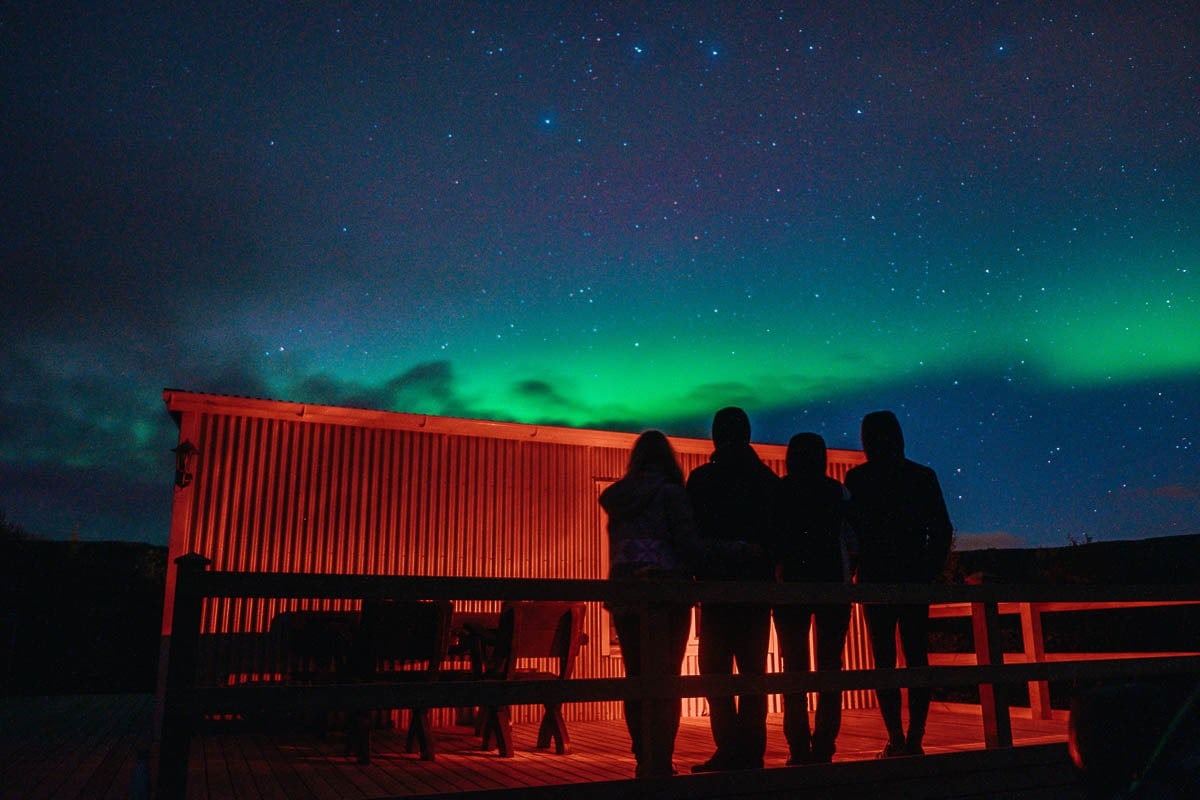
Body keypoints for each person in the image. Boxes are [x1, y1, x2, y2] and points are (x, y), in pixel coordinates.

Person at [844, 410, 953, 758]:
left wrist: (853, 572)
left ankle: (896, 737)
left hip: (875, 579)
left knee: (884, 660)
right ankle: (914, 738)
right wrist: (930, 571)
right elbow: (941, 529)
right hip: (913, 577)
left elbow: (852, 533)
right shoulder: (922, 477)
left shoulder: (858, 479)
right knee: (917, 657)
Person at [599, 430, 698, 778]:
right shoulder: (671, 495)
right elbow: (687, 544)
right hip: (668, 596)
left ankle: (643, 756)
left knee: (636, 677)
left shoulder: (620, 499)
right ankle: (661, 759)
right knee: (666, 679)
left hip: (625, 594)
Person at [686, 407, 780, 772]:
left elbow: (690, 536)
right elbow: (776, 538)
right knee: (753, 669)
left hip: (715, 591)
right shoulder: (767, 481)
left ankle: (729, 747)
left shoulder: (702, 480)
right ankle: (752, 749)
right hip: (756, 591)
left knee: (716, 669)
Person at [767, 432, 855, 765]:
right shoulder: (837, 492)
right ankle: (824, 746)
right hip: (833, 585)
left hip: (791, 587)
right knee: (831, 666)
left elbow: (772, 538)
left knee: (795, 668)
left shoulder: (780, 491)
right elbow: (852, 539)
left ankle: (798, 747)